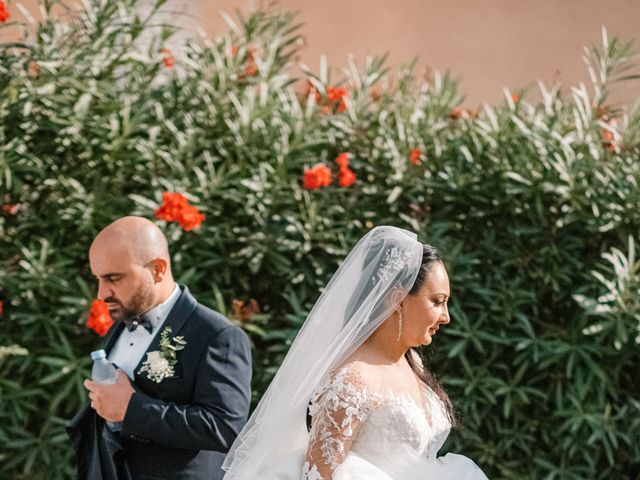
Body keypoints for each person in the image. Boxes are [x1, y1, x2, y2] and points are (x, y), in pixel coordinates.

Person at [222, 226, 488, 479]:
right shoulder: (351, 381)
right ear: (398, 299)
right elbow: (318, 475)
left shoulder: (412, 363)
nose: (446, 317)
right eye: (438, 302)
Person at [68, 216, 252, 480]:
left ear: (157, 269)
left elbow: (226, 428)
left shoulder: (217, 335)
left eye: (113, 278)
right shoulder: (119, 324)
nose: (101, 293)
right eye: (98, 279)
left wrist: (132, 409)